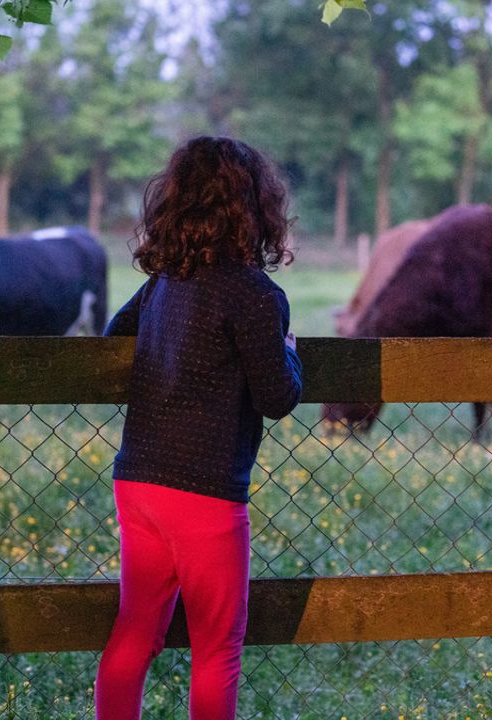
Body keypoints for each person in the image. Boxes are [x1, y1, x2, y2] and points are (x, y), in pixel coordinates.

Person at [95, 136, 302, 720]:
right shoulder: (255, 294)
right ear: (255, 209)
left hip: (138, 482)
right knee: (218, 646)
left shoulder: (165, 282)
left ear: (176, 205)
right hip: (205, 493)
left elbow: (114, 338)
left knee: (136, 632)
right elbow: (277, 397)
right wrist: (290, 350)